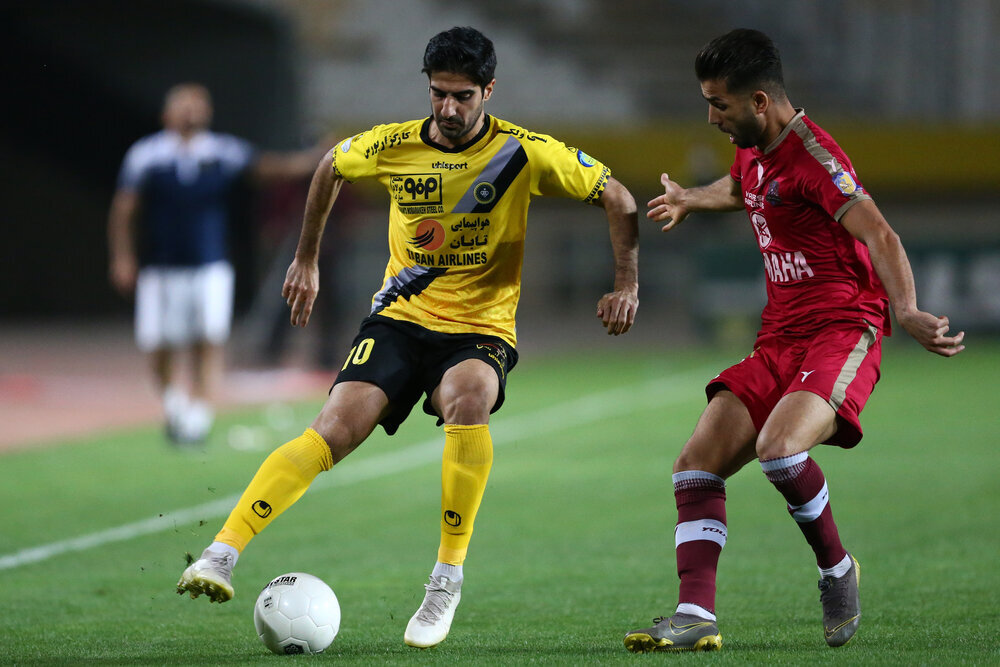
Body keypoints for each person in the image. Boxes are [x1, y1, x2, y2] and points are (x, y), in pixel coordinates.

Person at [176, 26, 639, 649]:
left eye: (463, 96)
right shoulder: (393, 145)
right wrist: (306, 258)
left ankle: (445, 578)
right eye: (438, 94)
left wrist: (626, 283)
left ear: (489, 91)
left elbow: (618, 196)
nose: (448, 109)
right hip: (398, 321)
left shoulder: (524, 153)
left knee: (469, 398)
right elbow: (329, 166)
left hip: (478, 328)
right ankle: (221, 553)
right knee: (333, 429)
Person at [623, 29, 965, 653]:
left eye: (718, 104)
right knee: (694, 466)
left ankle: (837, 570)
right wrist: (694, 199)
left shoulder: (816, 158)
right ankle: (696, 613)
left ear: (759, 101)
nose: (711, 116)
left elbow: (881, 234)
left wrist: (907, 307)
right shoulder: (755, 147)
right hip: (779, 336)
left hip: (842, 329)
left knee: (780, 450)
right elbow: (744, 188)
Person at [108, 83, 325, 444]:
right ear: (166, 114)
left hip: (209, 265)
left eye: (197, 105)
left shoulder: (222, 151)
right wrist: (122, 256)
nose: (191, 112)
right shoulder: (147, 155)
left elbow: (268, 167)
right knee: (158, 342)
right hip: (160, 267)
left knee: (207, 339)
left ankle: (199, 418)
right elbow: (123, 209)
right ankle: (175, 405)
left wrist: (317, 159)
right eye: (183, 105)